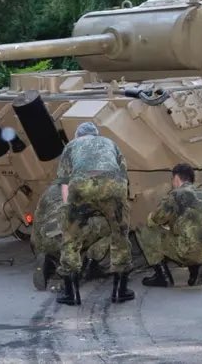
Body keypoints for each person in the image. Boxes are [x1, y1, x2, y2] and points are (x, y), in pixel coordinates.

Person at [55, 122, 133, 305]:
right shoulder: (110, 143)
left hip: (81, 184)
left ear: (78, 136)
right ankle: (119, 291)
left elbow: (65, 182)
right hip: (113, 184)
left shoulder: (72, 145)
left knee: (71, 240)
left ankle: (72, 294)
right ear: (96, 134)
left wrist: (69, 213)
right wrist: (120, 211)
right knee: (120, 236)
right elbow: (124, 175)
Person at [135, 163, 202, 288]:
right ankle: (196, 269)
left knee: (143, 230)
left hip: (187, 251)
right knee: (191, 232)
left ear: (176, 178)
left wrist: (152, 219)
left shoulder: (175, 194)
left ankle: (162, 277)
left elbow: (156, 219)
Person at [31, 180, 112, 291]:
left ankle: (49, 259)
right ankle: (89, 263)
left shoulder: (49, 191)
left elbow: (36, 224)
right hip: (66, 240)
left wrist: (38, 248)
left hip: (43, 242)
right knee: (111, 226)